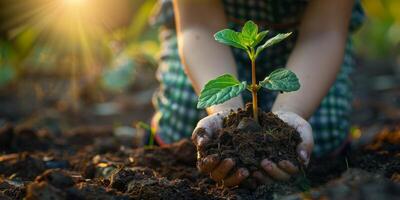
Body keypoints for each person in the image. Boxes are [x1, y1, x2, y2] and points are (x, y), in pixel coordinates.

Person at [150, 0, 364, 187]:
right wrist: (227, 114)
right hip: (213, 38)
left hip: (306, 40)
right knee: (188, 122)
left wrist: (289, 113)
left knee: (319, 134)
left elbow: (324, 31)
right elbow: (199, 24)